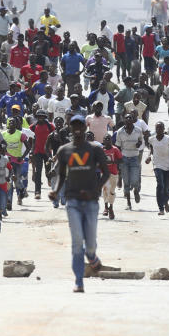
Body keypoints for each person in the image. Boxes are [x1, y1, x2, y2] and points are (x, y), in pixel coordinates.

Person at [49, 115, 109, 293]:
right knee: (76, 242)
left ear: (85, 127)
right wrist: (56, 190)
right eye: (73, 125)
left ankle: (91, 256)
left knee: (90, 243)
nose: (76, 128)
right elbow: (61, 174)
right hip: (73, 200)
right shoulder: (64, 150)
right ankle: (78, 281)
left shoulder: (94, 149)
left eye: (80, 125)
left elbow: (105, 172)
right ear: (69, 127)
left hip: (90, 201)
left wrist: (97, 188)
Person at [115, 114, 147, 209]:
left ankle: (136, 191)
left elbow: (141, 140)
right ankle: (128, 203)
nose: (128, 119)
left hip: (134, 157)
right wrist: (118, 161)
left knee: (134, 179)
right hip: (124, 158)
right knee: (126, 181)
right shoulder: (120, 132)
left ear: (133, 120)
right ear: (124, 120)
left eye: (130, 117)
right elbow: (118, 147)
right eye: (127, 117)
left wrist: (139, 143)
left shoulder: (138, 130)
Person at [146, 122, 169, 216]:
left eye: (160, 127)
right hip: (157, 164)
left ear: (163, 129)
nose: (159, 129)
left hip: (167, 165)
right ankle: (160, 208)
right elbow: (151, 150)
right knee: (160, 184)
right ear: (155, 128)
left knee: (166, 187)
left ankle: (165, 201)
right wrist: (149, 156)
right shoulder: (151, 139)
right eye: (157, 127)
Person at [101, 134, 122, 220]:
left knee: (112, 191)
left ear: (111, 140)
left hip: (114, 173)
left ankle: (111, 207)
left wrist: (114, 161)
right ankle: (106, 207)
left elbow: (121, 160)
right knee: (106, 189)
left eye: (109, 139)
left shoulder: (115, 149)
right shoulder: (101, 150)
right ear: (103, 141)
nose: (107, 140)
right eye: (105, 139)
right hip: (104, 173)